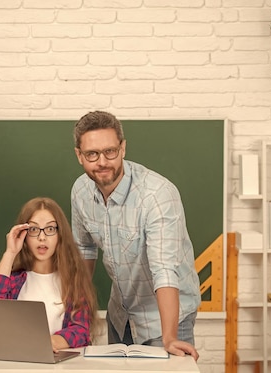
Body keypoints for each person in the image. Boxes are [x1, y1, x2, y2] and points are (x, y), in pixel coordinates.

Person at [70, 111, 201, 361]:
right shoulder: (80, 191)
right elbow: (84, 249)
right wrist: (76, 310)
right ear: (79, 155)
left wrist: (170, 337)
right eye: (92, 154)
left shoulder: (157, 195)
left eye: (110, 151)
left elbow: (164, 270)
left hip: (164, 318)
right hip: (120, 314)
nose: (102, 162)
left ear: (123, 148)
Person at [0, 197, 100, 352]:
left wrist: (49, 342)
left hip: (59, 363)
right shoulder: (11, 279)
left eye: (50, 229)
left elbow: (80, 330)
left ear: (60, 235)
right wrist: (10, 252)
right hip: (14, 361)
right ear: (23, 235)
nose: (42, 237)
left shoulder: (73, 281)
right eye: (33, 229)